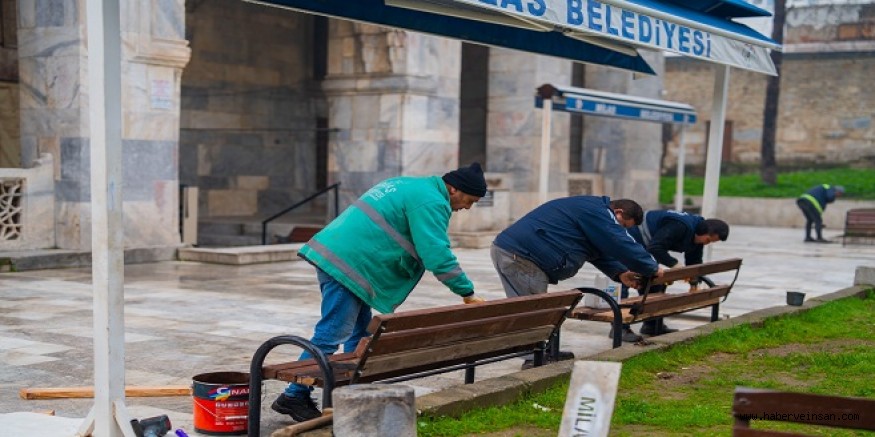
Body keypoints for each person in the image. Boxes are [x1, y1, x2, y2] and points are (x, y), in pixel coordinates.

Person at [272, 163, 489, 422]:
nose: (467, 207)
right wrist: (467, 292)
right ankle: (294, 394)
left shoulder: (410, 184)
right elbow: (437, 255)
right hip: (349, 265)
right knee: (331, 333)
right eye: (469, 200)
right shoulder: (431, 201)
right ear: (454, 189)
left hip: (341, 257)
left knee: (360, 333)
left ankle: (351, 393)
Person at [491, 196, 664, 364]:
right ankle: (534, 359)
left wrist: (620, 273)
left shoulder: (592, 212)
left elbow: (596, 251)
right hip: (522, 255)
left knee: (533, 309)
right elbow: (619, 241)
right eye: (623, 225)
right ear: (618, 212)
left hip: (516, 252)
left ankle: (542, 352)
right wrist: (651, 267)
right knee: (533, 311)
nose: (623, 230)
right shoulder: (598, 212)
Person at [622, 210, 730, 339]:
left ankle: (652, 325)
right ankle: (620, 328)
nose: (707, 244)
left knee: (656, 282)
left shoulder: (698, 234)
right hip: (631, 237)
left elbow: (694, 261)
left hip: (648, 243)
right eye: (708, 240)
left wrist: (693, 279)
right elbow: (655, 248)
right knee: (624, 278)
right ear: (703, 232)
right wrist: (676, 266)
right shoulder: (680, 225)